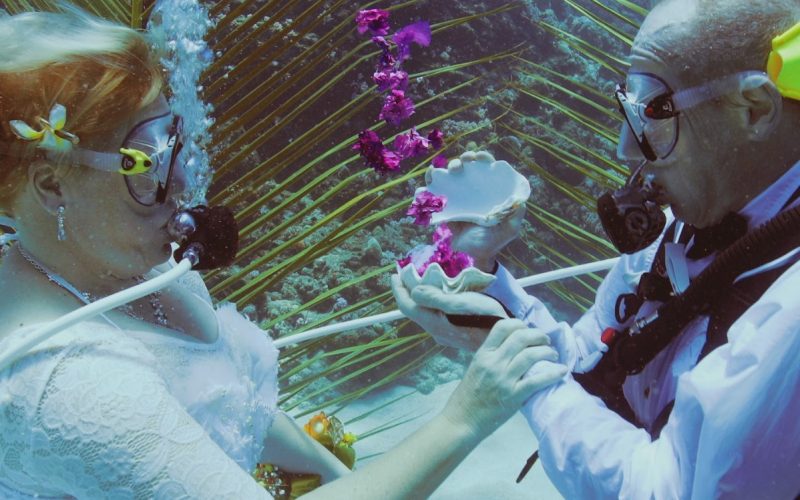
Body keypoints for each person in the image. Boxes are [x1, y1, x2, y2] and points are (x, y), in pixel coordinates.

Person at [0, 9, 568, 499]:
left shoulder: (118, 264)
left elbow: (228, 401)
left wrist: (329, 472)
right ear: (52, 186)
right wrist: (462, 419)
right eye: (144, 160)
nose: (181, 186)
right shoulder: (72, 384)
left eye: (175, 141)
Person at [393, 0, 800, 498]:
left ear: (754, 109)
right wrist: (482, 278)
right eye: (628, 108)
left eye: (654, 111)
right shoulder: (678, 229)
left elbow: (667, 488)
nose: (625, 148)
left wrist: (515, 362)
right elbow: (589, 362)